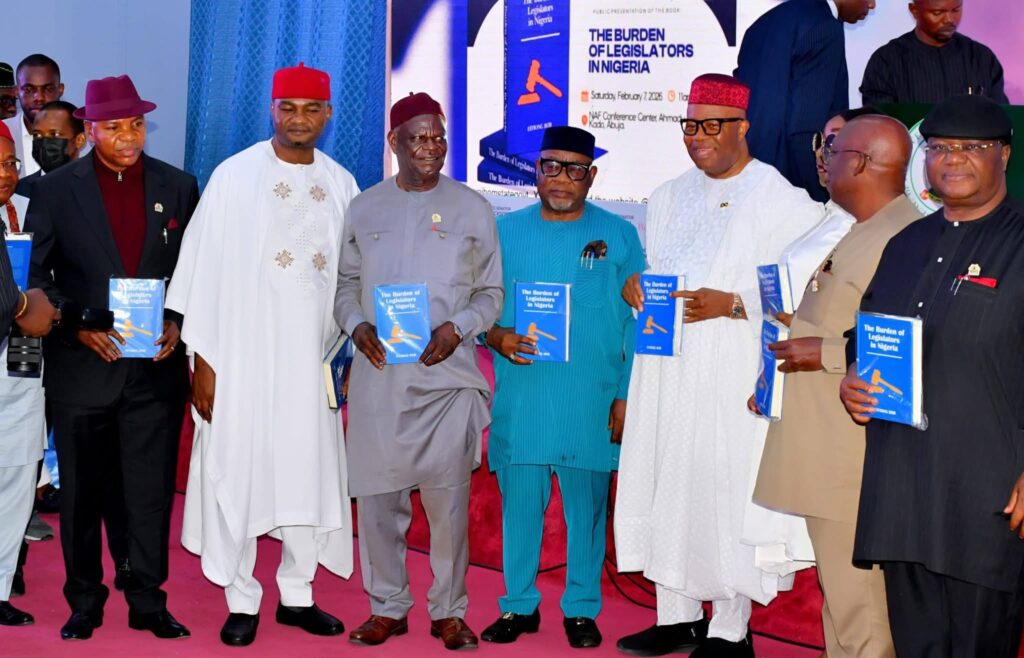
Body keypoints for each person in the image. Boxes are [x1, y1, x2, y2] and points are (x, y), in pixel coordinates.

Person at [613, 74, 824, 658]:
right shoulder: (667, 195)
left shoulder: (781, 199)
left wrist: (733, 304)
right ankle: (676, 616)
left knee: (722, 488)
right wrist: (637, 286)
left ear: (742, 127)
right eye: (690, 125)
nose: (697, 137)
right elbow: (662, 272)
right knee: (667, 480)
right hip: (666, 369)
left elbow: (808, 289)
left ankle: (731, 628)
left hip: (732, 372)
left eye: (711, 125)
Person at [166, 63, 359, 648]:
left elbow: (352, 280)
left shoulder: (341, 184)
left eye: (311, 109)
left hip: (311, 363)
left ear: (328, 115)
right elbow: (200, 272)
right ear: (272, 110)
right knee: (242, 466)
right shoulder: (234, 177)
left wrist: (349, 355)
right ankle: (241, 597)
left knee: (307, 470)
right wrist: (204, 363)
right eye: (288, 108)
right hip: (242, 359)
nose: (299, 119)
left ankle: (297, 594)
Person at [840, 95, 1024, 657]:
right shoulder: (906, 244)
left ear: (1004, 155)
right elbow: (865, 331)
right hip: (905, 493)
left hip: (988, 500)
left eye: (972, 147)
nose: (953, 158)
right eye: (940, 147)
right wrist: (854, 372)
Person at [27, 74, 199, 641]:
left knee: (150, 494)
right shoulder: (54, 191)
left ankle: (148, 600)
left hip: (154, 370)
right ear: (90, 130)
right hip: (83, 369)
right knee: (80, 496)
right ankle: (84, 600)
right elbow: (37, 278)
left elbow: (194, 273)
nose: (129, 136)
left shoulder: (178, 186)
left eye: (137, 125)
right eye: (115, 127)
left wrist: (177, 320)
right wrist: (75, 326)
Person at [335, 91, 502, 651]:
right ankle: (387, 606)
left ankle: (449, 611)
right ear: (394, 142)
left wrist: (458, 327)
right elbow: (344, 286)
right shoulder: (364, 207)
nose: (431, 147)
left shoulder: (473, 208)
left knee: (448, 507)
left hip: (446, 382)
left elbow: (491, 293)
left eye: (438, 137)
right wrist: (356, 325)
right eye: (418, 138)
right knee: (379, 503)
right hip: (381, 376)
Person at [752, 115, 922, 658]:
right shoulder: (864, 227)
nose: (824, 162)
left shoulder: (903, 238)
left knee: (862, 613)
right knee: (844, 608)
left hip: (852, 460)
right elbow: (848, 320)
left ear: (862, 163)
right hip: (827, 449)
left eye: (834, 151)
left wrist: (822, 351)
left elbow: (910, 346)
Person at [480, 126, 644, 649]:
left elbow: (639, 321)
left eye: (574, 169)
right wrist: (495, 335)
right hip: (524, 396)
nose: (561, 178)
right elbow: (477, 304)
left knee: (586, 513)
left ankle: (580, 608)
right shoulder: (503, 232)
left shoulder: (619, 235)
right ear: (536, 170)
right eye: (550, 165)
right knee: (520, 509)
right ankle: (518, 604)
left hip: (591, 399)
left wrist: (625, 393)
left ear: (590, 176)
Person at [0, 119, 59, 627]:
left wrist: (46, 308)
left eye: (9, 163)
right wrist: (22, 304)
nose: (4, 173)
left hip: (25, 361)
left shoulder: (31, 210)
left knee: (18, 476)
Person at [735, 0, 875, 202]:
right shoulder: (824, 25)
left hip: (749, 173)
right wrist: (819, 196)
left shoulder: (764, 23)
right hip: (794, 185)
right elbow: (807, 127)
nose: (871, 4)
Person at [860, 0, 1009, 105]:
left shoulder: (981, 58)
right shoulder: (886, 61)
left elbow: (1001, 119)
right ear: (914, 10)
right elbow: (878, 122)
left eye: (956, 10)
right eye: (937, 13)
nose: (949, 20)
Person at [3, 54, 63, 176]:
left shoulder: (81, 136)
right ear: (16, 91)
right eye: (29, 90)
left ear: (60, 90)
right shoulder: (2, 133)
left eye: (48, 89)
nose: (39, 98)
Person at [17, 100, 88, 198]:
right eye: (37, 135)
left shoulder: (97, 185)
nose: (44, 141)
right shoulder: (19, 190)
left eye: (54, 134)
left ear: (80, 140)